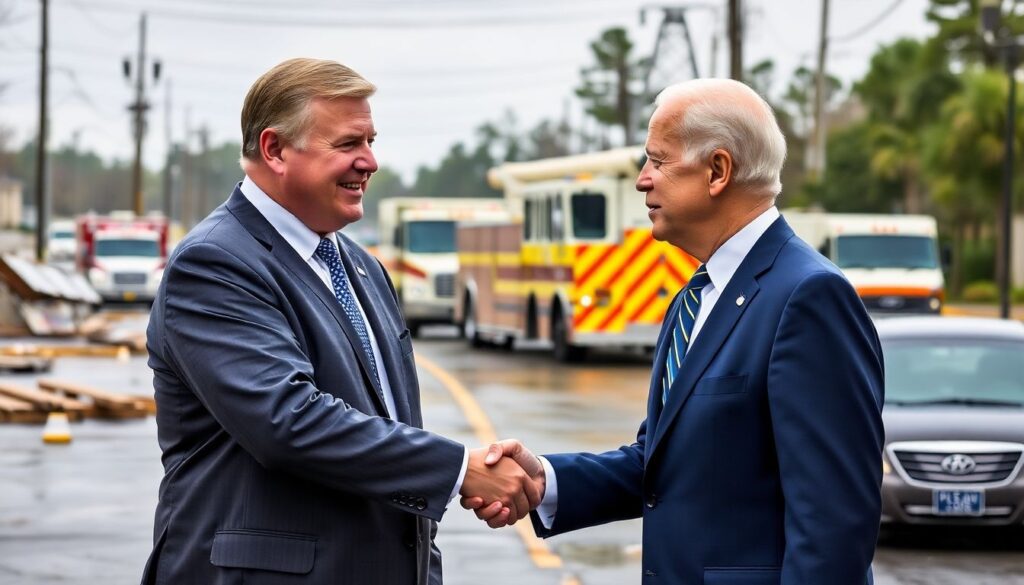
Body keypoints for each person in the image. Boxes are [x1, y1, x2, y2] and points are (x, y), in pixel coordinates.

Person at [464, 78, 885, 584]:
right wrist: (544, 479)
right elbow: (663, 465)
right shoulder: (696, 296)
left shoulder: (808, 298)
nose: (643, 180)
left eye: (658, 161)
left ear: (717, 171)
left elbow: (834, 525)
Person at [141, 58, 539, 585]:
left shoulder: (359, 265)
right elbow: (287, 420)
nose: (370, 162)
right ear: (275, 149)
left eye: (371, 141)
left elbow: (390, 424)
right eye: (349, 144)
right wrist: (459, 470)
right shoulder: (216, 263)